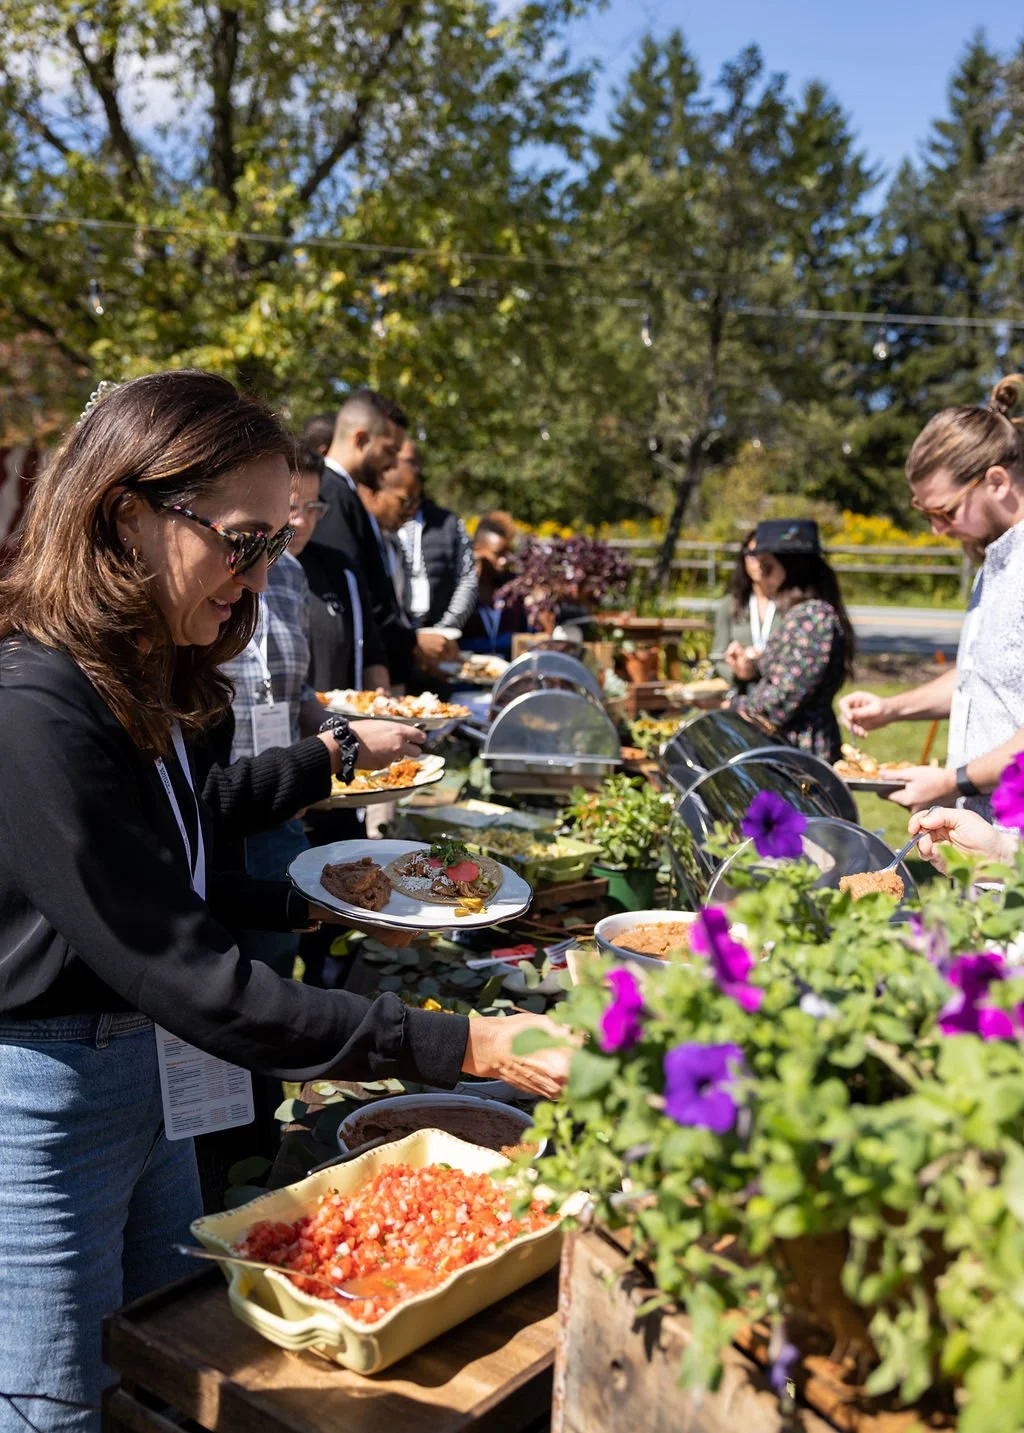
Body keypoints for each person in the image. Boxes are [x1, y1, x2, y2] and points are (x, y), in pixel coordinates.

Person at [0, 371, 571, 1430]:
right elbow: (186, 972)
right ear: (129, 511)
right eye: (242, 540)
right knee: (55, 1403)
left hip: (143, 1077)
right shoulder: (36, 704)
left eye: (275, 544)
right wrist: (470, 1046)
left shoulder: (135, 671)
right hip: (46, 1101)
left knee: (157, 1365)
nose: (260, 578)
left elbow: (190, 815)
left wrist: (323, 823)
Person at [840, 375, 1024, 812]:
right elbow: (983, 680)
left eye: (944, 511)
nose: (936, 528)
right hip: (986, 841)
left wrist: (952, 782)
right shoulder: (995, 564)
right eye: (924, 511)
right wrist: (890, 709)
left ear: (996, 481)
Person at [308, 392, 457, 686]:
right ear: (361, 439)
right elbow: (353, 593)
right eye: (389, 451)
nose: (391, 465)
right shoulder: (331, 495)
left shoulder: (345, 493)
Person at [725, 519, 855, 762]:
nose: (760, 577)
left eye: (767, 568)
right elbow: (790, 673)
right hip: (786, 743)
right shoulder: (801, 614)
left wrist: (731, 705)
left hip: (802, 751)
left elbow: (783, 697)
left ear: (794, 567)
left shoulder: (813, 618)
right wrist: (752, 669)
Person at [395, 441, 478, 634]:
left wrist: (444, 629)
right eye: (404, 462)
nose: (411, 469)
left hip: (440, 635)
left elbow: (466, 579)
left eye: (415, 463)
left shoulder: (447, 523)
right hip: (393, 639)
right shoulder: (376, 523)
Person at [711, 529, 776, 690]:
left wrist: (759, 671)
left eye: (766, 554)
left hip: (779, 690)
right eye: (752, 554)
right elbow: (717, 656)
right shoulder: (730, 604)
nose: (759, 561)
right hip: (742, 694)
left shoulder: (791, 607)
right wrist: (738, 674)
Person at [461, 517, 530, 659]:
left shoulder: (513, 588)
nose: (504, 560)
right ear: (477, 550)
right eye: (498, 554)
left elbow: (525, 633)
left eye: (508, 553)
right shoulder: (461, 589)